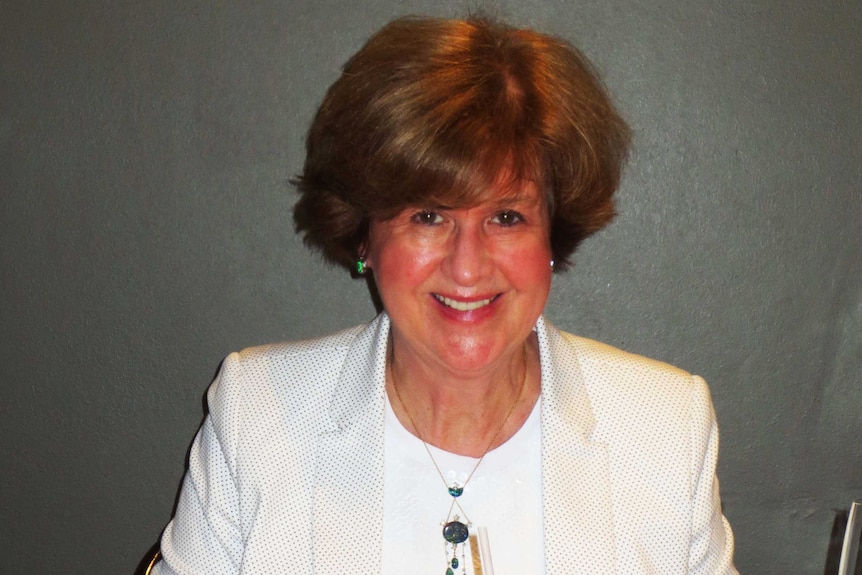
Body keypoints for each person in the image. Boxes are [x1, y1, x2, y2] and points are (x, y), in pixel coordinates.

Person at [152, 15, 737, 575]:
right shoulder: (259, 416)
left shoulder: (665, 429)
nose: (467, 265)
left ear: (551, 238)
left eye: (507, 216)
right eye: (429, 216)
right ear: (365, 235)